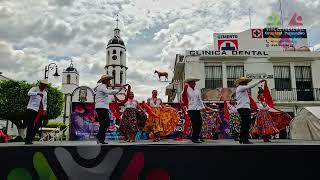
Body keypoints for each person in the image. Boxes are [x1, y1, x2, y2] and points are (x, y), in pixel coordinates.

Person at [235, 77, 265, 144]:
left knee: (244, 123)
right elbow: (250, 86)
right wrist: (259, 81)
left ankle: (242, 138)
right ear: (242, 83)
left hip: (243, 107)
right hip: (243, 108)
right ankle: (244, 139)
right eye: (245, 82)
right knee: (247, 123)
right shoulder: (240, 87)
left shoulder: (242, 89)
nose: (246, 83)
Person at [95, 75, 123, 144]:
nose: (110, 81)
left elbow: (107, 91)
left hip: (101, 107)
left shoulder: (101, 87)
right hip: (101, 107)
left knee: (103, 123)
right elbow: (108, 92)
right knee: (105, 123)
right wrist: (118, 90)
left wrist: (112, 88)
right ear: (105, 81)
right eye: (108, 80)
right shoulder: (103, 86)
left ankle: (100, 138)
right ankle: (99, 137)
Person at [182, 77, 206, 143]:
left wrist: (203, 107)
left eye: (194, 82)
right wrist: (185, 87)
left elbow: (199, 100)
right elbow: (183, 96)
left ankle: (196, 136)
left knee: (199, 122)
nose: (194, 83)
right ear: (189, 83)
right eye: (192, 82)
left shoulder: (197, 91)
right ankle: (194, 138)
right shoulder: (186, 89)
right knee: (195, 123)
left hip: (197, 108)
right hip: (190, 108)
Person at [24, 80, 48, 145]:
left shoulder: (45, 93)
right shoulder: (34, 89)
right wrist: (37, 93)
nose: (43, 86)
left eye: (45, 85)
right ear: (40, 84)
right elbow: (28, 93)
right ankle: (27, 140)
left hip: (39, 110)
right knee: (30, 124)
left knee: (38, 125)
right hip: (31, 108)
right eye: (42, 85)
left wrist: (44, 110)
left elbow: (45, 102)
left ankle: (30, 138)